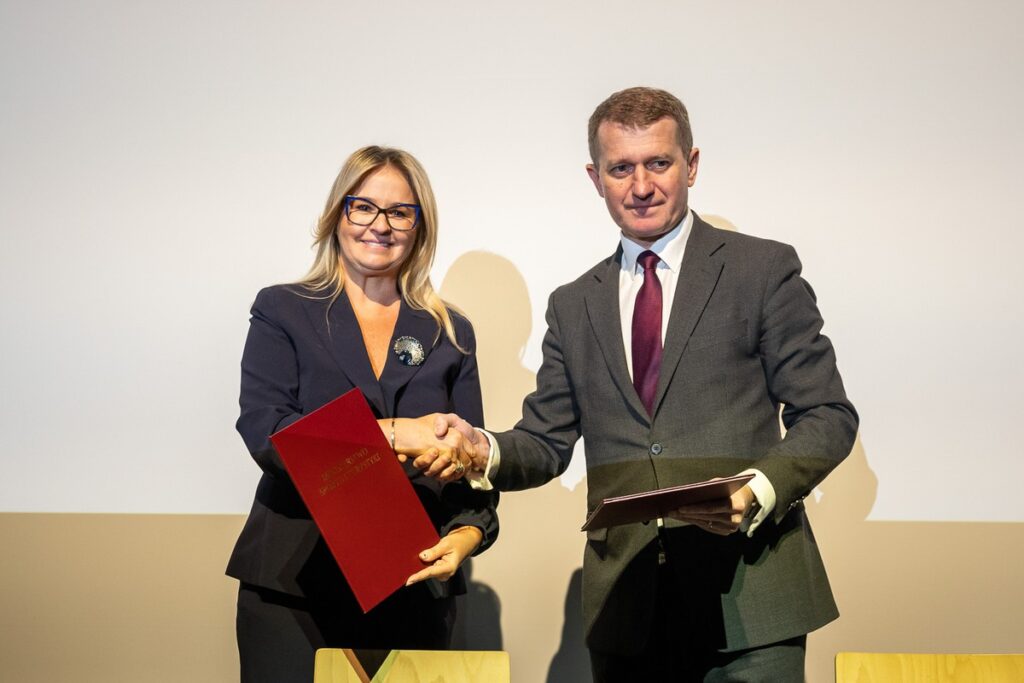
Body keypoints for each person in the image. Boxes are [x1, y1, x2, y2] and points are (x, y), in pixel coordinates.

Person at [411, 87, 858, 681]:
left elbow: (828, 414)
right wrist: (479, 449)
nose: (641, 185)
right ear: (596, 178)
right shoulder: (573, 305)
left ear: (691, 164)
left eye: (659, 163)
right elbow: (545, 442)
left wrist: (757, 489)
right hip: (628, 611)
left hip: (752, 601)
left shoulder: (762, 270)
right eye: (622, 168)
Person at [226, 145, 497, 683]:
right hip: (294, 585)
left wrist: (467, 535)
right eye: (364, 207)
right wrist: (400, 432)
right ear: (338, 214)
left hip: (414, 581)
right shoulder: (283, 310)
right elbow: (267, 433)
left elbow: (474, 463)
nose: (381, 225)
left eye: (400, 212)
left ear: (419, 227)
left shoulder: (450, 331)